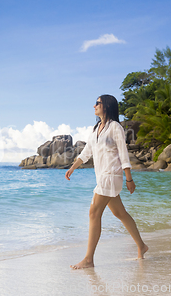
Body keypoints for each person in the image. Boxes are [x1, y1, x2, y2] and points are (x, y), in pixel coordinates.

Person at [65, 94, 148, 269]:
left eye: (98, 103)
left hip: (111, 176)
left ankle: (88, 259)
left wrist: (129, 179)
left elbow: (123, 153)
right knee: (120, 213)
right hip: (103, 177)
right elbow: (87, 152)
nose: (94, 106)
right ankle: (142, 246)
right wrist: (73, 167)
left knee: (94, 213)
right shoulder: (96, 129)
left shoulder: (115, 127)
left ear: (107, 106)